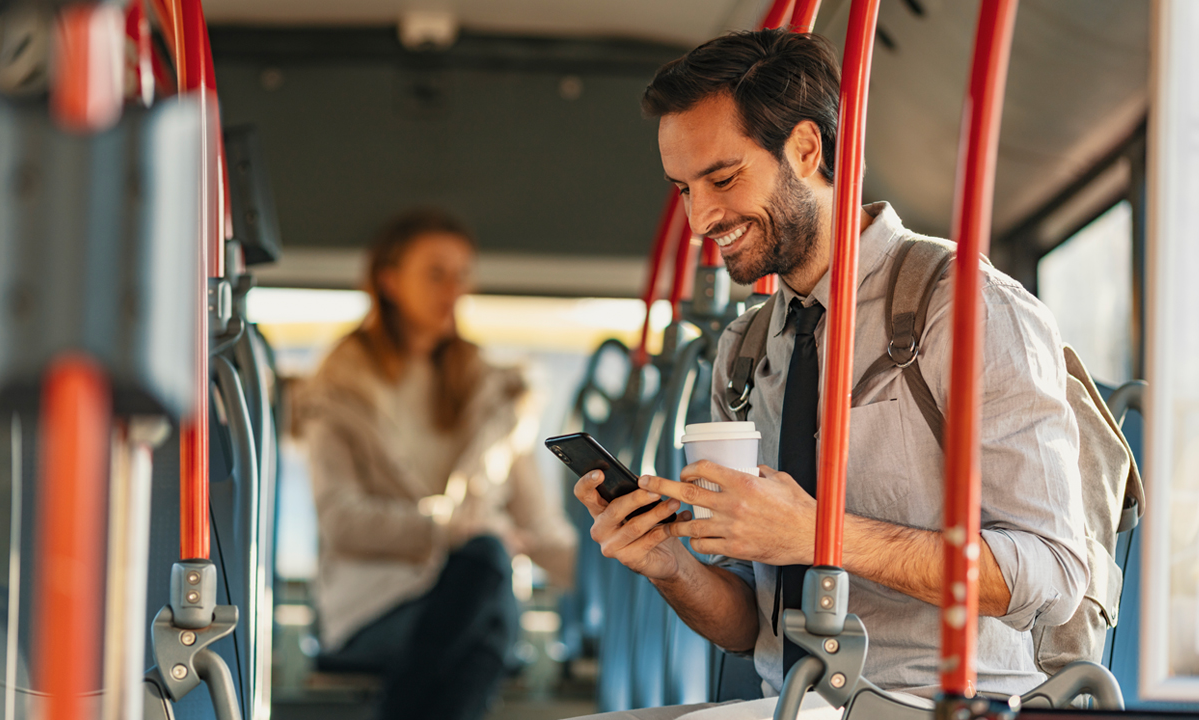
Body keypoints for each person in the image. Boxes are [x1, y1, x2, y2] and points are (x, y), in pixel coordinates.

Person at [571, 30, 1088, 719]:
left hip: (938, 699)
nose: (701, 218)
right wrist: (671, 567)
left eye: (723, 180)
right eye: (683, 190)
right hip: (787, 700)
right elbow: (749, 626)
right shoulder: (746, 350)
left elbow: (1056, 574)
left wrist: (823, 536)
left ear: (807, 150)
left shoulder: (963, 306)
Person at [296, 208, 576, 720]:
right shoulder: (338, 394)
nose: (454, 288)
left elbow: (538, 526)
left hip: (477, 597)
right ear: (389, 280)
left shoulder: (491, 396)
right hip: (375, 605)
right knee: (488, 593)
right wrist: (454, 531)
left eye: (462, 274)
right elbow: (342, 522)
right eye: (436, 272)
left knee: (486, 588)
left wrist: (625, 568)